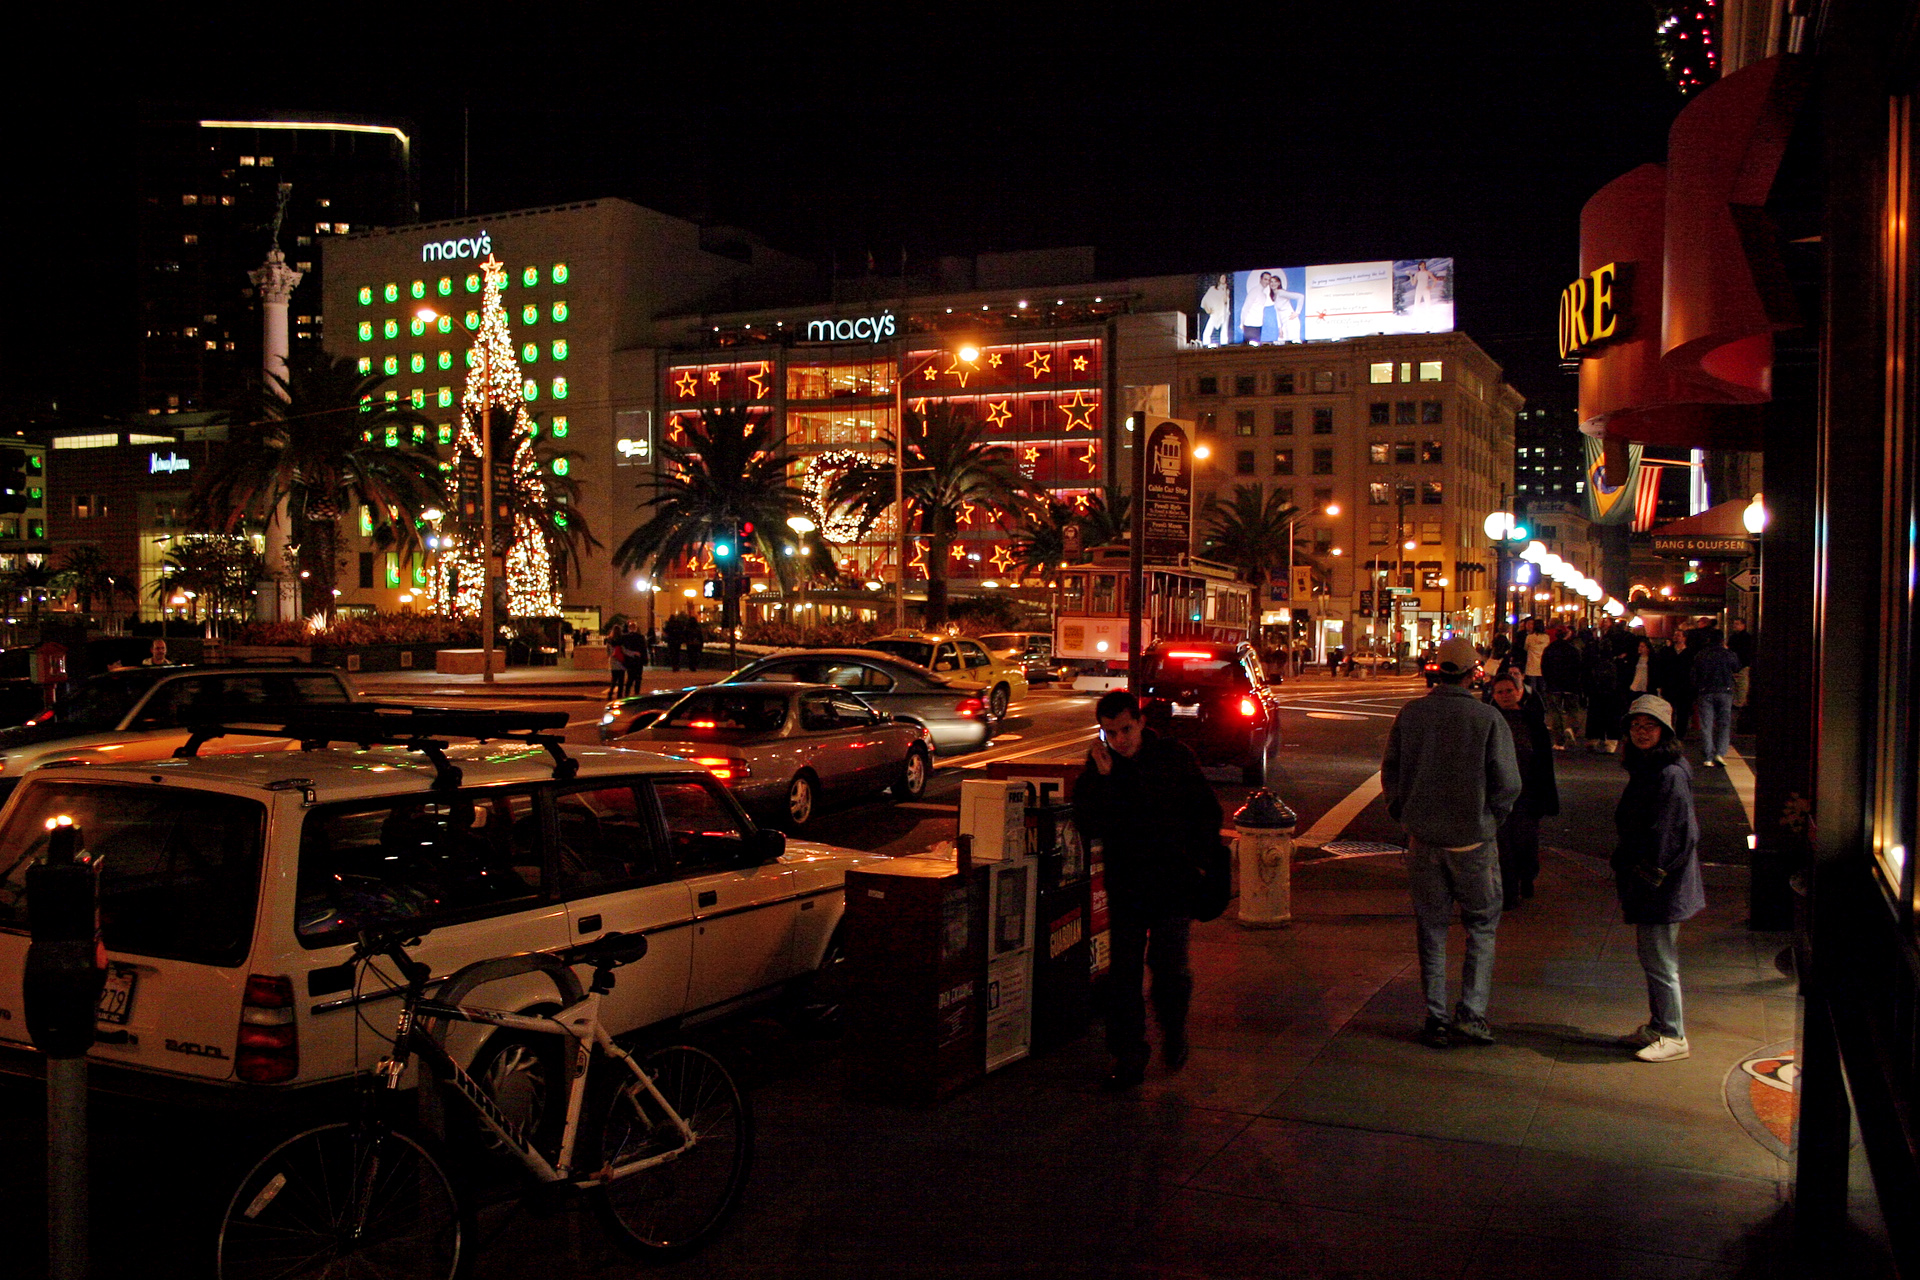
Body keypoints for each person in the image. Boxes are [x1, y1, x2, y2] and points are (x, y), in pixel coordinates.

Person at [1071, 690, 1222, 1090]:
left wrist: (1200, 862)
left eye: (1125, 729)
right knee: (1124, 973)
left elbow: (1205, 810)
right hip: (1128, 884)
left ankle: (1173, 1031)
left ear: (1140, 722)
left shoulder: (1173, 756)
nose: (1120, 740)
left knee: (1170, 965)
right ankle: (1129, 1055)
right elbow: (1088, 823)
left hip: (1173, 880)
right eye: (1110, 733)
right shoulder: (1102, 766)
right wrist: (1102, 780)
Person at [1381, 636, 1521, 1049]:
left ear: (1437, 670)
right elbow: (1508, 784)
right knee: (1481, 925)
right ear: (1472, 673)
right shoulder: (1487, 719)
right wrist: (1490, 818)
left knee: (1432, 927)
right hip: (1472, 839)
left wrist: (1404, 813)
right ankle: (1472, 1013)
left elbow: (1391, 773)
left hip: (1423, 838)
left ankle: (1436, 1017)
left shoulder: (1412, 714)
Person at [1611, 694, 1704, 1063]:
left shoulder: (1669, 774)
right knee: (1653, 956)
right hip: (1654, 881)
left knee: (1661, 960)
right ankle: (1659, 1025)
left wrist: (1650, 873)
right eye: (1635, 725)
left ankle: (1673, 1033)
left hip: (1662, 884)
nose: (1641, 732)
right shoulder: (1651, 767)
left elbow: (1677, 833)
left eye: (1649, 726)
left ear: (1665, 730)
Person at [1486, 671, 1558, 909]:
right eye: (1500, 692)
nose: (1505, 695)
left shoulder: (1532, 721)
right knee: (1502, 844)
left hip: (1528, 791)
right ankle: (1509, 890)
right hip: (1498, 791)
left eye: (1509, 690)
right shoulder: (1489, 720)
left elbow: (1545, 762)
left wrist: (1547, 796)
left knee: (1525, 842)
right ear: (1493, 695)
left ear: (1519, 692)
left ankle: (1525, 878)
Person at [1689, 628, 1741, 768]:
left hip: (1705, 691)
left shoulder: (1702, 654)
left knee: (1706, 724)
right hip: (1725, 690)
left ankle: (1708, 756)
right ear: (1722, 640)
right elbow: (1737, 667)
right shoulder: (1728, 654)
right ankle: (1720, 752)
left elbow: (1694, 674)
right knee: (1724, 723)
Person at [1540, 626, 1585, 749]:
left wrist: (1548, 680)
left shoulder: (1550, 649)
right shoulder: (1573, 650)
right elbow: (1579, 667)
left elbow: (1544, 666)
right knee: (1573, 710)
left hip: (1554, 684)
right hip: (1570, 684)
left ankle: (1559, 741)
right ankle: (1571, 728)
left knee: (1555, 712)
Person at [1199, 274, 1230, 345]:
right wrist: (1207, 310)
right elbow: (1204, 300)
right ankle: (1206, 346)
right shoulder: (1213, 289)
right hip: (1215, 312)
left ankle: (1224, 347)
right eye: (1222, 277)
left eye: (1225, 278)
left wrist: (1224, 290)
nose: (1224, 279)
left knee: (1224, 332)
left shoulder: (1226, 290)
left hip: (1224, 312)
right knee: (1207, 331)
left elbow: (1225, 301)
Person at [621, 625, 649, 692]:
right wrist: (645, 660)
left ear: (629, 629)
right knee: (638, 678)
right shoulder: (640, 637)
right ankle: (637, 692)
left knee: (630, 677)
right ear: (636, 629)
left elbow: (623, 649)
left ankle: (627, 692)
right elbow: (643, 649)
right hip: (638, 660)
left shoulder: (625, 637)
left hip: (629, 660)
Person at [607, 628, 628, 698]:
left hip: (613, 662)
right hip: (621, 662)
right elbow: (624, 651)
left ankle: (610, 694)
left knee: (614, 679)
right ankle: (619, 695)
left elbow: (608, 652)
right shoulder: (621, 641)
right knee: (621, 680)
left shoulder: (609, 641)